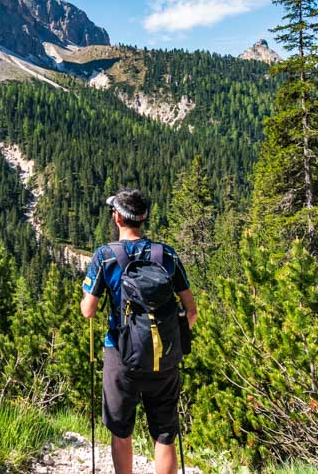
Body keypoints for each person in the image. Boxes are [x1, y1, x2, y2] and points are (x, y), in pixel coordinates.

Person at [80, 188, 198, 474]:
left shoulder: (106, 256)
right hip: (164, 355)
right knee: (165, 432)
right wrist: (170, 337)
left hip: (120, 353)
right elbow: (191, 311)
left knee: (121, 430)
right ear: (142, 219)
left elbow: (88, 310)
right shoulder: (166, 254)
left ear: (118, 218)